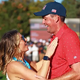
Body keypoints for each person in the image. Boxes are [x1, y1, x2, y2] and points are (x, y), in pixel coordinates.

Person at [34, 1, 80, 80]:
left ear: (56, 18)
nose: (43, 22)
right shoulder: (56, 37)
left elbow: (78, 73)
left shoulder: (68, 36)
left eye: (45, 18)